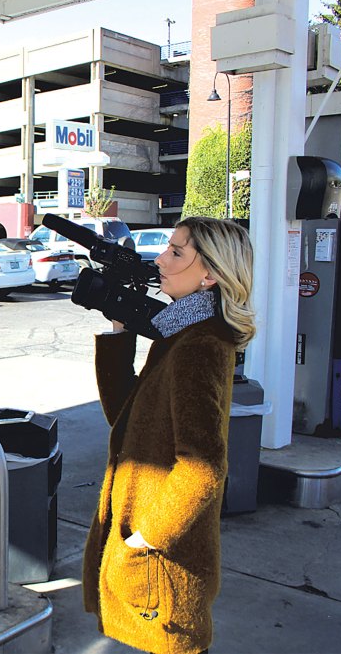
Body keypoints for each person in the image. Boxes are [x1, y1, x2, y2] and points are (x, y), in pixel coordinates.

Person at [82, 217, 256, 654]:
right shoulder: (180, 331)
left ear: (210, 274)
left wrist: (144, 540)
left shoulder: (201, 344)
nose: (160, 258)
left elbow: (203, 469)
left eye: (177, 252)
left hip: (163, 561)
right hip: (150, 555)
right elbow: (125, 416)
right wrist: (120, 328)